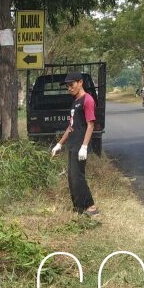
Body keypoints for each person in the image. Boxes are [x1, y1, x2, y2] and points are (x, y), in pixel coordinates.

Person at [51, 72, 100, 218]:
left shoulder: (88, 100)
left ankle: (91, 207)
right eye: (67, 86)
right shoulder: (75, 101)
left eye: (71, 85)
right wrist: (59, 144)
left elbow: (91, 125)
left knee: (78, 176)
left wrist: (84, 146)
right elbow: (70, 126)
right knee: (72, 177)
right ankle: (79, 207)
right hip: (72, 143)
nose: (69, 88)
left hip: (80, 144)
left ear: (80, 82)